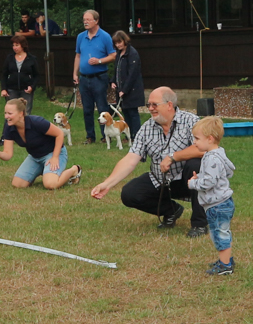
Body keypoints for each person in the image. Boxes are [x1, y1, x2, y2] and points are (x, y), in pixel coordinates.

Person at [90, 87, 208, 236]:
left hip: (187, 180)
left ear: (169, 105)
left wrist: (173, 157)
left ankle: (199, 224)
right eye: (148, 105)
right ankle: (171, 210)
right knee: (129, 193)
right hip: (161, 180)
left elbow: (204, 148)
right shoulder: (146, 128)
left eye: (154, 104)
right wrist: (106, 184)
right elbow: (130, 159)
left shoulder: (191, 121)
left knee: (196, 165)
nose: (150, 108)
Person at [0, 98, 81, 189]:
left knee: (50, 184)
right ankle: (45, 170)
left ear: (21, 113)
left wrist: (55, 157)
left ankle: (74, 170)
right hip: (35, 157)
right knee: (18, 184)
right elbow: (8, 154)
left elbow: (59, 134)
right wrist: (0, 154)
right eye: (5, 113)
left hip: (54, 153)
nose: (6, 116)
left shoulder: (37, 122)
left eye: (10, 113)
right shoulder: (9, 127)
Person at [188, 116, 236, 275]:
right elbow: (223, 173)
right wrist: (201, 177)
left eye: (197, 138)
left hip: (217, 205)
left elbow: (209, 182)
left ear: (210, 139)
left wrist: (193, 183)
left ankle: (225, 266)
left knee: (219, 234)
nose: (194, 142)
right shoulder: (218, 153)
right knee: (223, 232)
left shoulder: (211, 158)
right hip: (222, 203)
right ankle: (226, 260)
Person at [72, 10, 116, 144]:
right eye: (84, 19)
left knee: (102, 107)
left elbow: (113, 55)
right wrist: (75, 73)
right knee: (87, 109)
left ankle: (105, 136)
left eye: (88, 19)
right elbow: (78, 55)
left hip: (99, 77)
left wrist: (99, 61)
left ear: (96, 21)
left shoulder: (105, 36)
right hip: (84, 78)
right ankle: (90, 136)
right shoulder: (81, 37)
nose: (85, 22)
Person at [112, 30, 144, 136]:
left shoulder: (132, 54)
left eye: (119, 42)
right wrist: (113, 81)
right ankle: (128, 134)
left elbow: (132, 74)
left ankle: (136, 135)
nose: (118, 45)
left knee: (133, 113)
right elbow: (117, 70)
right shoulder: (119, 54)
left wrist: (124, 90)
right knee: (125, 112)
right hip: (121, 88)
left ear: (125, 40)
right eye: (116, 43)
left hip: (132, 90)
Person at [0, 34, 37, 110]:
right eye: (13, 45)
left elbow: (36, 75)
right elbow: (4, 74)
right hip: (11, 89)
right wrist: (3, 89)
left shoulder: (31, 59)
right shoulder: (9, 58)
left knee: (25, 111)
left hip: (26, 90)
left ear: (23, 45)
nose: (14, 47)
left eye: (17, 45)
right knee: (12, 110)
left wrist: (32, 87)